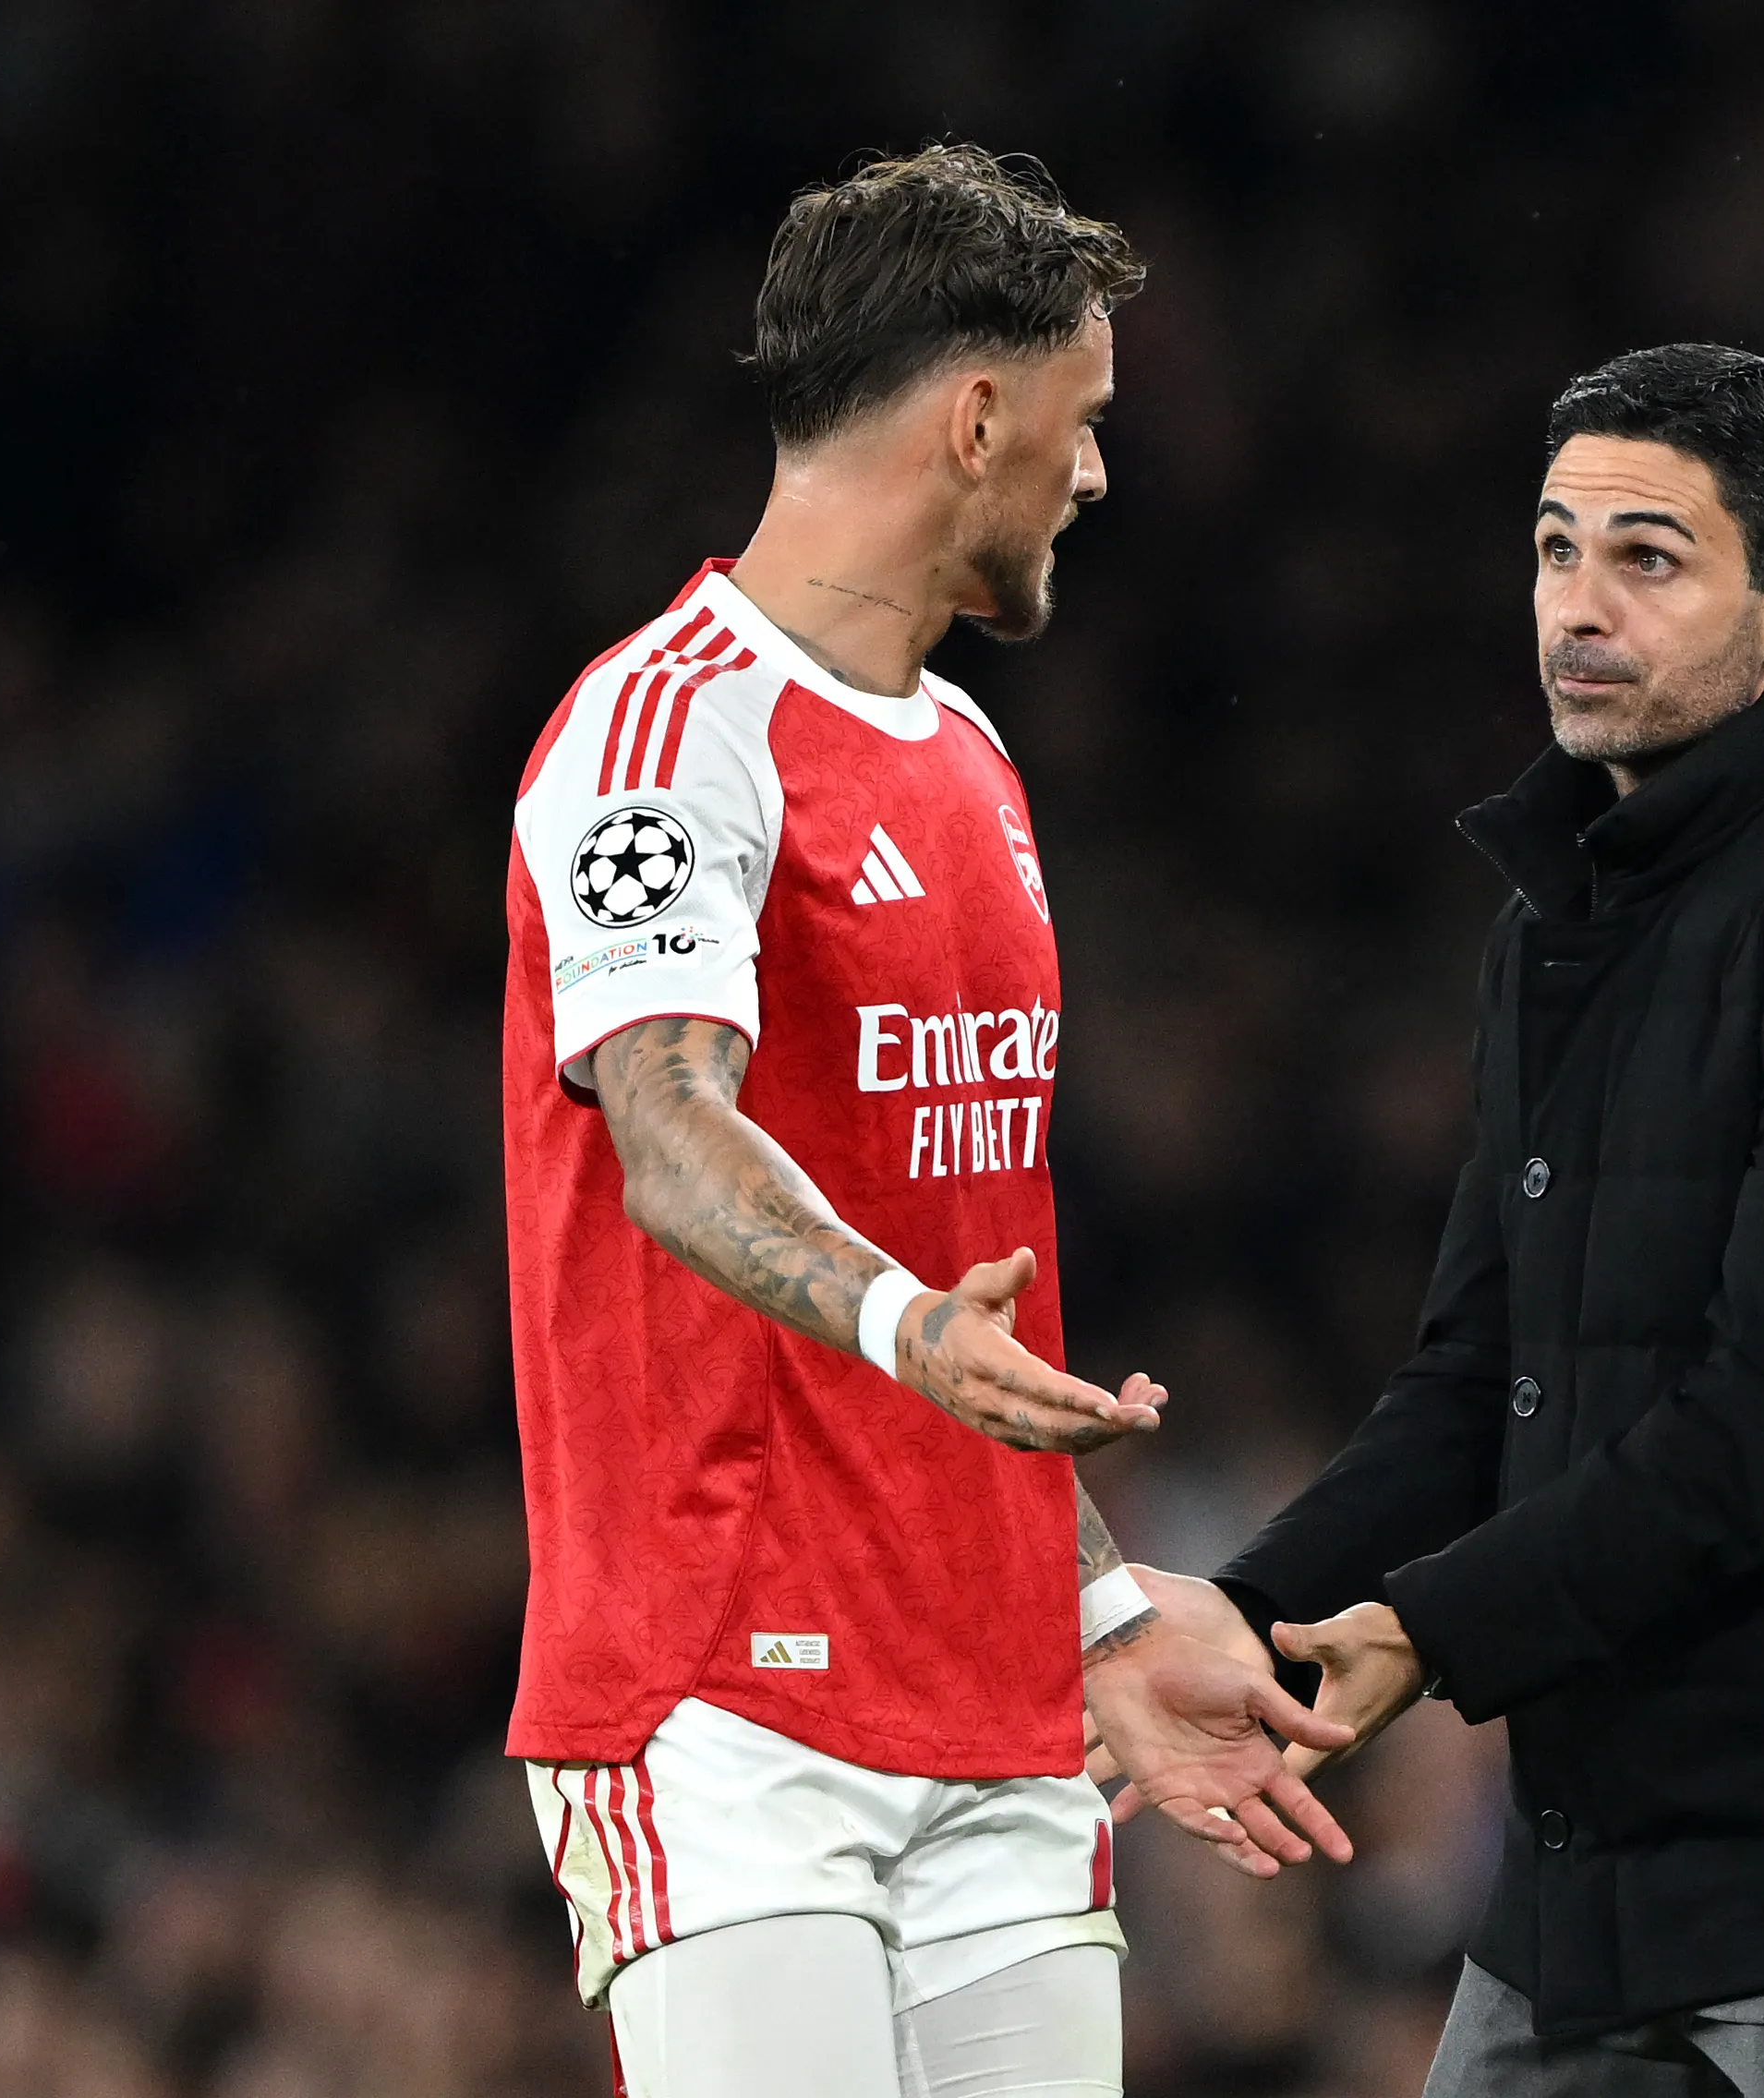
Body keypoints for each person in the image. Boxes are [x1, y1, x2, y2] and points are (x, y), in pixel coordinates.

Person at [1138, 344, 1764, 2096]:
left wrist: (1429, 1632)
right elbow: (1480, 1381)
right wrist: (1249, 1616)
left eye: (1647, 558)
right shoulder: (1557, 929)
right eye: (1554, 551)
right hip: (1593, 1882)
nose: (1578, 606)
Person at [500, 145, 1350, 2098]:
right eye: (1083, 418)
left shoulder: (968, 757)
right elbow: (667, 1133)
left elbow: (966, 1288)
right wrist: (900, 1323)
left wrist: (1100, 1607)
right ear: (977, 419)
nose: (1098, 472)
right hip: (726, 1705)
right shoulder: (662, 734)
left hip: (996, 1710)